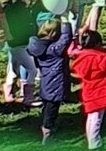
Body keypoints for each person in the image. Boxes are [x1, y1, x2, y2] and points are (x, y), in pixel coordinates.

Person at [69, 12, 106, 149]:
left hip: (90, 94)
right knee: (96, 120)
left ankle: (92, 140)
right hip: (100, 94)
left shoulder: (81, 58)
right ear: (96, 44)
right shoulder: (97, 59)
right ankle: (94, 144)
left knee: (91, 118)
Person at [27, 12, 74, 140]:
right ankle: (47, 133)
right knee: (52, 110)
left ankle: (44, 124)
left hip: (45, 83)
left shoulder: (37, 46)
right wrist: (65, 19)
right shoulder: (55, 49)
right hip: (56, 84)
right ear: (55, 34)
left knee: (47, 107)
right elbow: (66, 38)